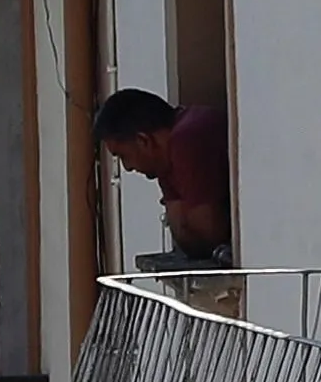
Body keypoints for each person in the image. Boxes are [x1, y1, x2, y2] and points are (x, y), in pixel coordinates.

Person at [95, 93, 229, 266]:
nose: (127, 168)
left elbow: (209, 235)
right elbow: (184, 232)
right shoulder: (163, 158)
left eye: (123, 156)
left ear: (143, 140)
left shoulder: (186, 140)